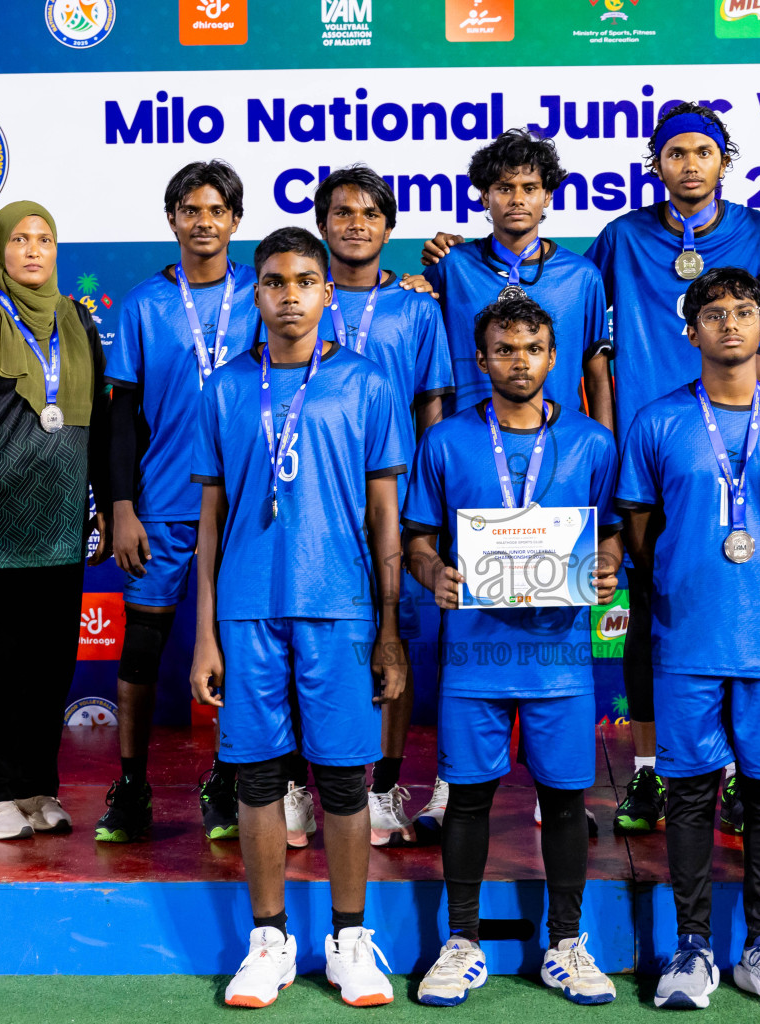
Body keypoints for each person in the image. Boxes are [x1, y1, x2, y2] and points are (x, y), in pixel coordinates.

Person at [189, 227, 407, 1008]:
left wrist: (388, 626)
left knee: (345, 780)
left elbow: (386, 514)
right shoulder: (222, 390)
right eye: (275, 281)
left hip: (340, 607)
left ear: (326, 293)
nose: (289, 294)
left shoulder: (366, 384)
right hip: (248, 611)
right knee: (255, 778)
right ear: (257, 293)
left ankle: (349, 940)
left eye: (304, 281)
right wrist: (205, 631)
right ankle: (270, 940)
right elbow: (210, 518)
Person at [404, 295, 621, 1007]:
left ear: (553, 357)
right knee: (467, 799)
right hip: (475, 655)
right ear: (482, 359)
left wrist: (609, 565)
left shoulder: (591, 441)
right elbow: (416, 540)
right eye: (503, 348)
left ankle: (564, 943)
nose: (518, 360)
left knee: (564, 803)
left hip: (560, 658)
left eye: (531, 348)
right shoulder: (446, 442)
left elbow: (613, 532)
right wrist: (434, 572)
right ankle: (461, 942)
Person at [584, 101, 760, 836]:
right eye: (676, 153)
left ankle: (737, 772)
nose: (690, 164)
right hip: (657, 451)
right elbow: (579, 322)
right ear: (658, 165)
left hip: (740, 449)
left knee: (743, 620)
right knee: (652, 617)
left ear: (723, 161)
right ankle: (649, 776)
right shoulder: (621, 236)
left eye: (704, 151)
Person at [617, 268, 760, 1010]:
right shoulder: (658, 421)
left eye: (744, 312)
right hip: (687, 635)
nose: (730, 324)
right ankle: (692, 947)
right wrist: (684, 574)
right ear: (689, 329)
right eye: (713, 313)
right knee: (692, 792)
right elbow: (638, 529)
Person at [0, 201, 111, 841]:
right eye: (21, 240)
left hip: (59, 532)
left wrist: (107, 504)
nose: (34, 250)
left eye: (45, 239)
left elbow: (104, 422)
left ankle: (35, 788)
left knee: (49, 668)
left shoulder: (76, 321)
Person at [96, 160, 257, 845]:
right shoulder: (142, 304)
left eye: (216, 210)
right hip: (160, 503)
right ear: (172, 220)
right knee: (143, 648)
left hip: (245, 502)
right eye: (190, 209)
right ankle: (131, 786)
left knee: (241, 650)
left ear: (234, 222)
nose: (203, 221)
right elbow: (121, 415)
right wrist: (121, 507)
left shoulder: (264, 291)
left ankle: (226, 778)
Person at [301, 164, 453, 849]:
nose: (355, 222)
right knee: (323, 642)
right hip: (316, 495)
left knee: (395, 641)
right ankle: (312, 785)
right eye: (341, 212)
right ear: (323, 225)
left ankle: (386, 783)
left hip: (395, 496)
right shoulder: (299, 296)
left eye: (369, 213)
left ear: (389, 228)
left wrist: (430, 494)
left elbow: (432, 405)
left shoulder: (417, 307)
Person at [417, 128, 611, 421]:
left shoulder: (582, 276)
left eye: (530, 188)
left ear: (547, 195)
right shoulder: (451, 266)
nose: (517, 199)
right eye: (505, 188)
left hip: (562, 446)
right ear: (485, 195)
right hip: (471, 442)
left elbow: (597, 375)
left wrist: (605, 450)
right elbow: (427, 365)